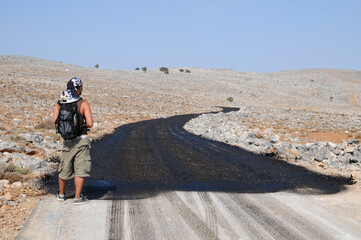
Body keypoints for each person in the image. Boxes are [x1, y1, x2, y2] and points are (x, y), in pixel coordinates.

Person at [53, 77, 93, 205]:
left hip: (67, 140)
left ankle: (61, 194)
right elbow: (90, 123)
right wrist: (81, 125)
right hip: (81, 139)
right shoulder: (83, 103)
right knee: (80, 169)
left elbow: (55, 121)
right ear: (78, 87)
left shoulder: (60, 102)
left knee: (65, 167)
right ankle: (77, 197)